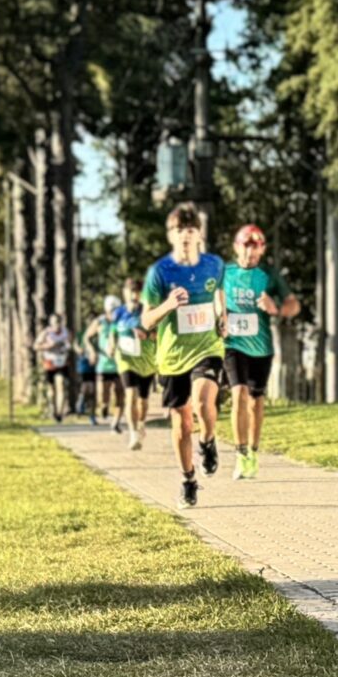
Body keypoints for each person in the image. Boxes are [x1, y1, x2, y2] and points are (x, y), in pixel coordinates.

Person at [142, 202, 227, 509]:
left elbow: (219, 293)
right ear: (171, 235)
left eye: (191, 230)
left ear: (199, 235)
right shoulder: (160, 272)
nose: (186, 236)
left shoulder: (214, 265)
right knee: (182, 426)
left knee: (204, 403)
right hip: (172, 356)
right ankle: (188, 479)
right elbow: (146, 320)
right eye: (180, 230)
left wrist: (223, 316)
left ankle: (208, 443)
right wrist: (167, 305)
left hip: (207, 348)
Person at [221, 223, 301, 480]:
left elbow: (294, 305)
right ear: (236, 247)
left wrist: (275, 307)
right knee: (239, 394)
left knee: (256, 402)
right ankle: (240, 453)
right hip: (233, 345)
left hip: (261, 347)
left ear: (262, 250)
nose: (251, 252)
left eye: (257, 247)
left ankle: (253, 452)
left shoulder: (269, 275)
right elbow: (210, 297)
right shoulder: (225, 273)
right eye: (247, 246)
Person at [112, 276, 155, 448]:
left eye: (137, 292)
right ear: (124, 293)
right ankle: (133, 433)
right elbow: (113, 330)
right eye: (130, 291)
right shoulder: (119, 312)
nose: (133, 295)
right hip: (125, 359)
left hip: (146, 360)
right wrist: (110, 344)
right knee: (130, 395)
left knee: (143, 401)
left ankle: (142, 424)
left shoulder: (147, 310)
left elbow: (158, 334)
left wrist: (146, 334)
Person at [90, 293, 124, 427]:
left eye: (116, 310)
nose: (113, 313)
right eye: (111, 311)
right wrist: (93, 351)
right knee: (103, 397)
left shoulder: (122, 321)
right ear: (106, 310)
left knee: (120, 394)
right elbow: (87, 337)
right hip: (104, 364)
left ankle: (115, 422)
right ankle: (104, 406)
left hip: (120, 363)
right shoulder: (99, 321)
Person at [34, 315, 71, 422]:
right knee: (52, 389)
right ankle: (53, 410)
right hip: (50, 362)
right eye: (54, 322)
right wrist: (48, 346)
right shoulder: (46, 332)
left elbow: (70, 343)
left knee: (62, 385)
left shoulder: (65, 332)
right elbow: (36, 346)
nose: (57, 325)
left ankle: (60, 412)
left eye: (58, 322)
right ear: (51, 323)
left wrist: (67, 346)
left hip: (62, 362)